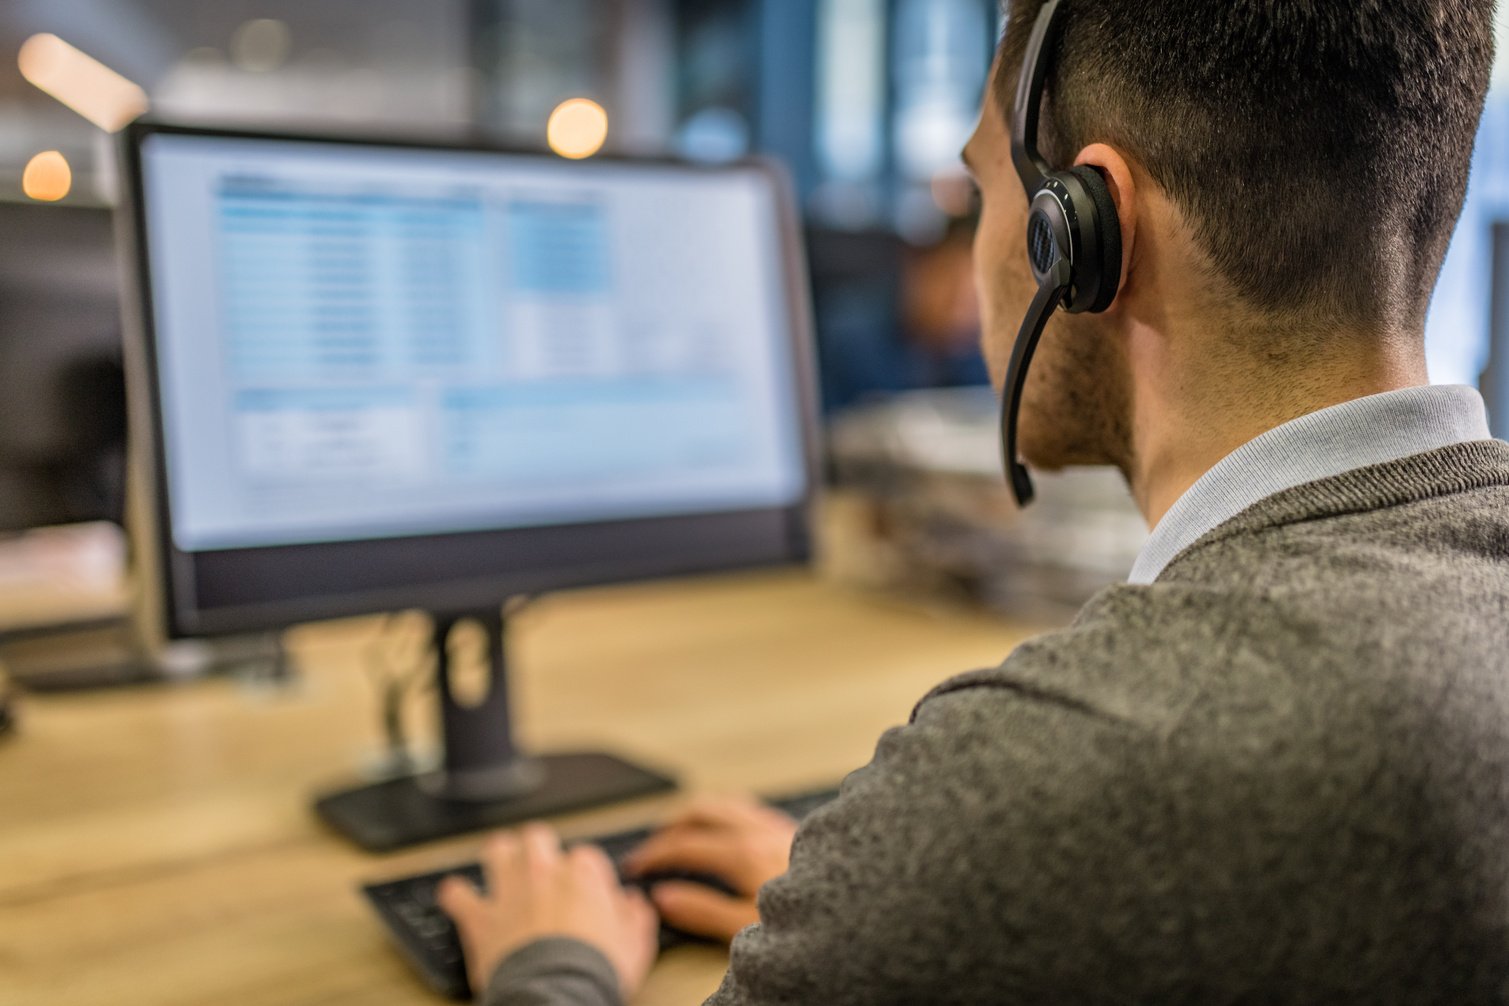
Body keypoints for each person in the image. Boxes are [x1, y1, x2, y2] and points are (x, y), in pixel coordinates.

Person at [439, 0, 1509, 1001]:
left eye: (982, 185)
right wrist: (892, 901)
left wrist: (553, 961)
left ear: (1083, 233)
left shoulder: (1041, 782)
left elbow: (1061, 821)